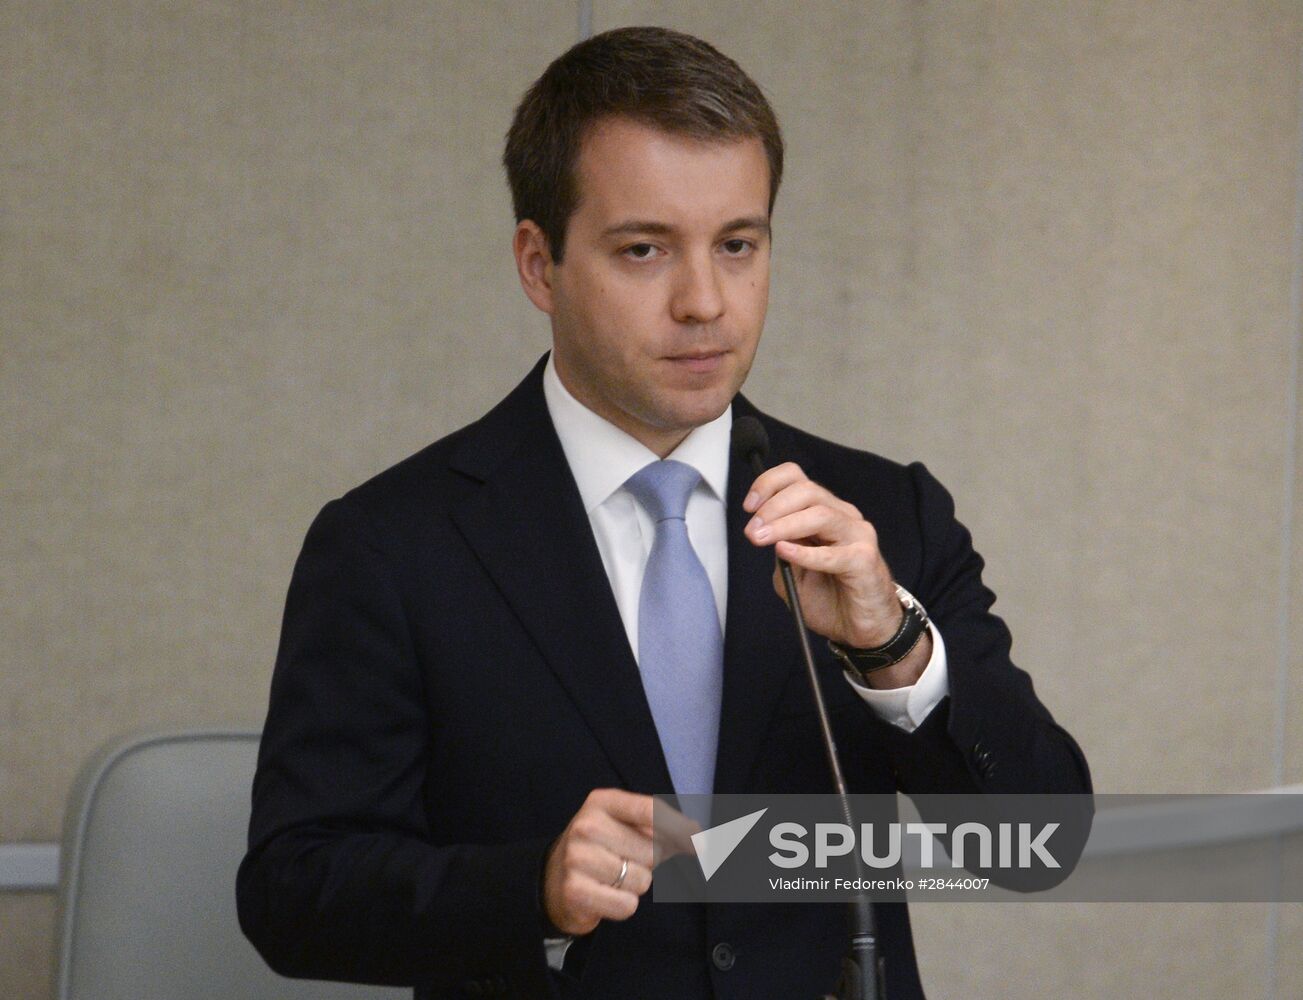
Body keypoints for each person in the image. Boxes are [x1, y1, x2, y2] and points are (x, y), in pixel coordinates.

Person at [237, 26, 1090, 1000]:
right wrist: (531, 888)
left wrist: (893, 647)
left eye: (737, 245)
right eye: (644, 250)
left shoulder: (882, 511)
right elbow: (293, 891)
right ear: (537, 263)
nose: (704, 302)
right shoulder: (392, 543)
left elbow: (1040, 843)